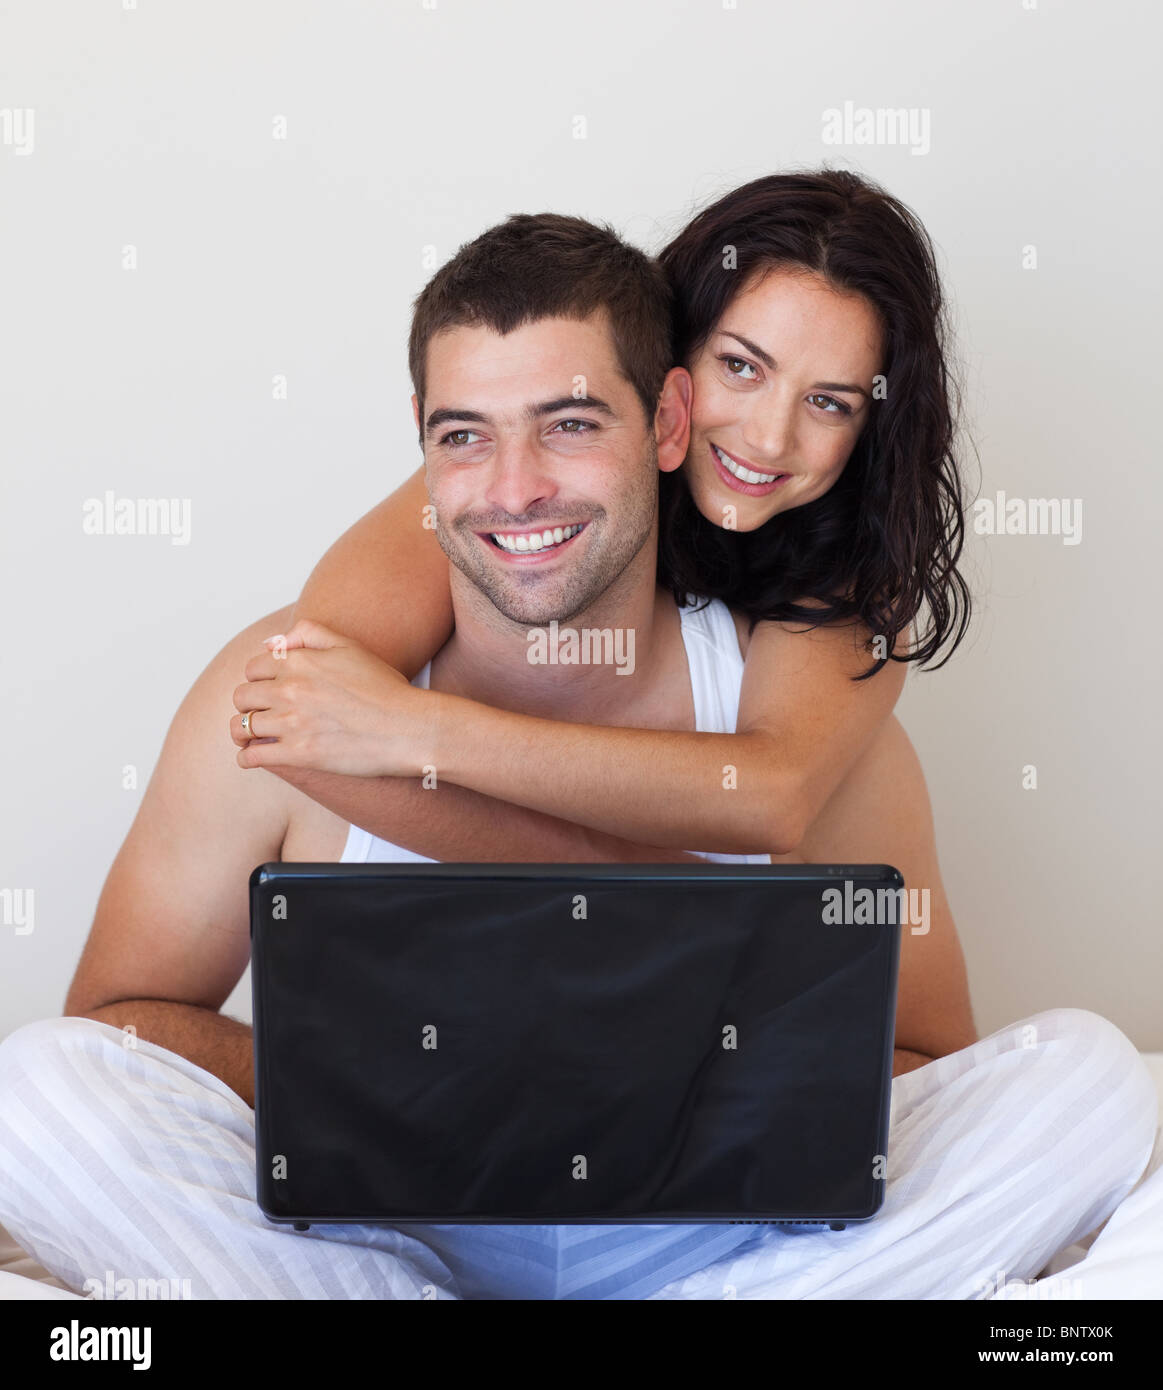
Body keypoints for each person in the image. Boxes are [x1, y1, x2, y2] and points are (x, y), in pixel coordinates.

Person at [0, 212, 1152, 1301]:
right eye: (466, 435)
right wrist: (399, 1089)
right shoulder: (299, 684)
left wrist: (688, 1079)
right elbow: (117, 1027)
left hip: (708, 1241)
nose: (515, 486)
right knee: (36, 1091)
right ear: (424, 449)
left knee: (1094, 1085)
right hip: (389, 1230)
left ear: (658, 423)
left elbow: (921, 1073)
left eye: (568, 423)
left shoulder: (818, 714)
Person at [230, 171, 971, 863]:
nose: (768, 438)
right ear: (668, 377)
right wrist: (676, 904)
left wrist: (418, 732)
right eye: (740, 367)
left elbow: (771, 796)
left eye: (828, 402)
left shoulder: (849, 566)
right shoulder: (514, 482)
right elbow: (302, 709)